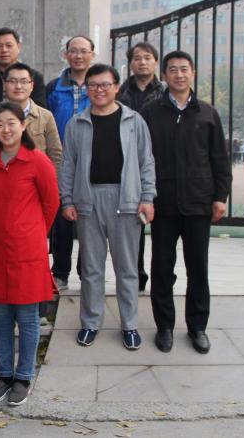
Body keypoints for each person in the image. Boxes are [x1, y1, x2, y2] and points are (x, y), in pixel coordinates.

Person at [60, 65, 156, 351]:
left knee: (127, 268)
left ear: (116, 87)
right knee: (91, 268)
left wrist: (147, 197)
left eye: (105, 85)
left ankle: (130, 324)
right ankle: (90, 322)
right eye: (93, 85)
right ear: (87, 89)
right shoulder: (76, 123)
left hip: (126, 199)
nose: (99, 90)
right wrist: (67, 199)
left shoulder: (134, 121)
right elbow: (68, 165)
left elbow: (146, 161)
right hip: (88, 200)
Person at [142, 50, 231, 355]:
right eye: (173, 70)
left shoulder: (207, 113)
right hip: (163, 204)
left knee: (198, 267)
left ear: (192, 73)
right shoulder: (151, 112)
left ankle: (197, 327)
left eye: (184, 69)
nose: (179, 75)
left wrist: (220, 197)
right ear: (164, 75)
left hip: (198, 203)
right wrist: (146, 197)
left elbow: (220, 159)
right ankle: (165, 326)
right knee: (162, 268)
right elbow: (143, 158)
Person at [0, 103, 59, 408]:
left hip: (28, 251)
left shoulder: (37, 160)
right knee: (0, 317)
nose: (6, 129)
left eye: (11, 122)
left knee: (27, 318)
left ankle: (24, 377)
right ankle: (4, 375)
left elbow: (51, 203)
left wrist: (33, 231)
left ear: (23, 125)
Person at [46, 36, 95, 289]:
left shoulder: (98, 85)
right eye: (73, 51)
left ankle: (88, 272)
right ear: (66, 55)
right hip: (62, 161)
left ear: (92, 55)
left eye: (83, 51)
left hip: (92, 161)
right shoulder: (54, 87)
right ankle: (60, 272)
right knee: (62, 221)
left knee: (89, 219)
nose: (78, 56)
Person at [117, 42, 166, 291]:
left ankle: (162, 278)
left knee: (162, 229)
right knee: (133, 224)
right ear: (130, 64)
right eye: (137, 58)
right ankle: (136, 274)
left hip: (160, 164)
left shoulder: (165, 93)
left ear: (155, 62)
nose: (142, 62)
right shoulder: (120, 93)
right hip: (128, 167)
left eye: (147, 57)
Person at [1, 63, 62, 169]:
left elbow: (56, 154)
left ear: (32, 86)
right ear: (4, 84)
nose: (18, 86)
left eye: (24, 81)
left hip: (37, 176)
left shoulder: (45, 116)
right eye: (13, 81)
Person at [0, 28, 46, 107]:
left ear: (19, 47)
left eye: (9, 45)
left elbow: (40, 109)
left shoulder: (35, 77)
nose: (4, 50)